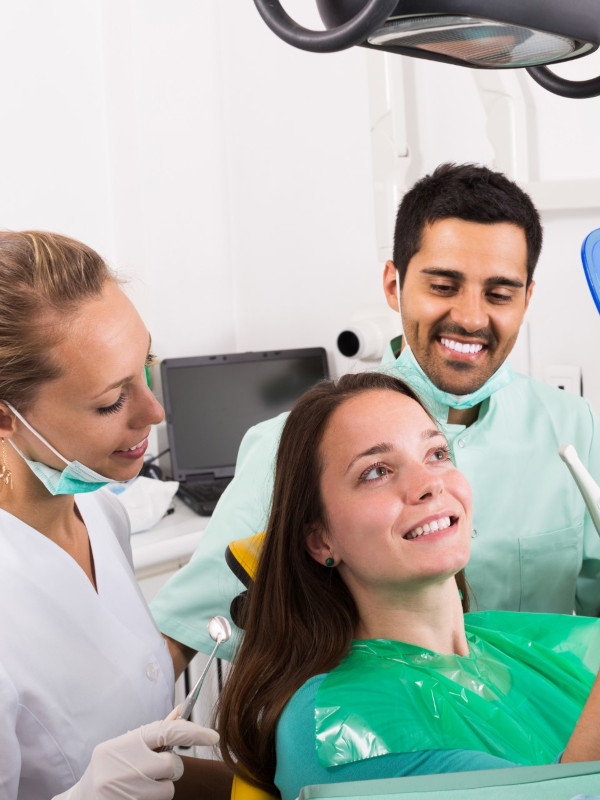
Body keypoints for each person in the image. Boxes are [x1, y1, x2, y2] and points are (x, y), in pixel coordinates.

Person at [151, 162, 600, 669]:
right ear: (393, 284)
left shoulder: (572, 426)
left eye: (499, 294)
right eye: (443, 286)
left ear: (526, 299)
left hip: (537, 737)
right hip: (372, 734)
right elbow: (189, 627)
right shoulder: (296, 443)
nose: (472, 317)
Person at [217, 372, 600, 800]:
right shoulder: (338, 725)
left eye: (437, 453)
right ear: (320, 539)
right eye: (377, 471)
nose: (429, 483)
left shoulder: (515, 644)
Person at [0, 231, 218, 800]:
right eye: (111, 401)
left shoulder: (99, 508)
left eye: (147, 364)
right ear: (4, 418)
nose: (155, 410)